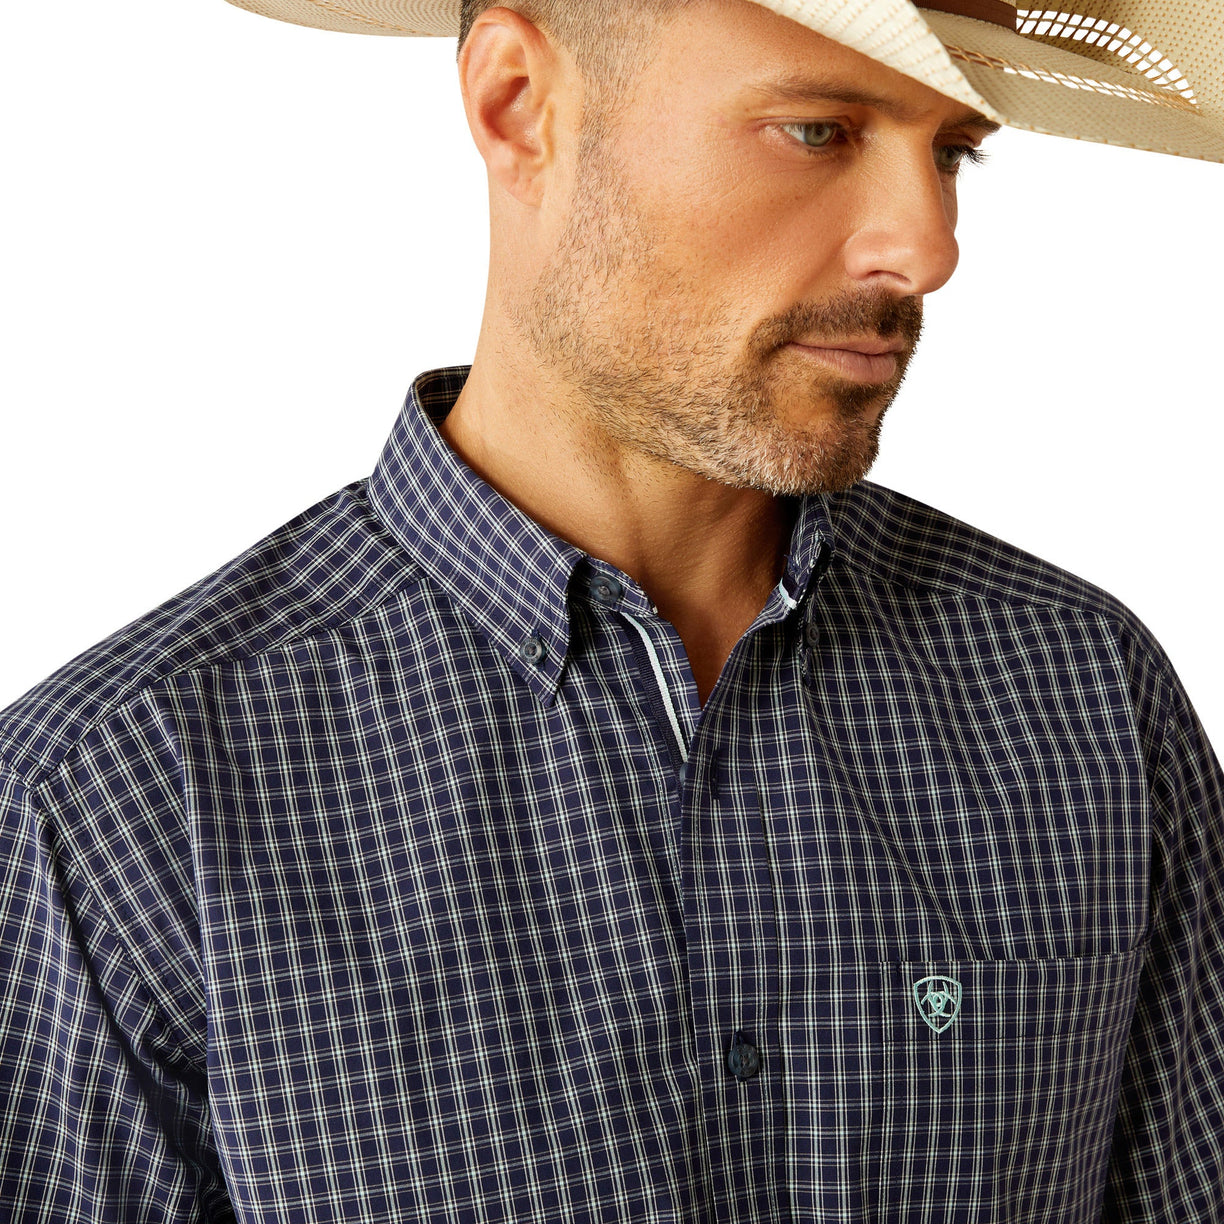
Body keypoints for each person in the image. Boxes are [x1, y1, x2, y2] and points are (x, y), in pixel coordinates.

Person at [1, 0, 1221, 1220]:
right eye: (816, 130)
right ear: (518, 106)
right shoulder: (123, 795)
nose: (929, 246)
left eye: (952, 150)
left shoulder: (1085, 693)